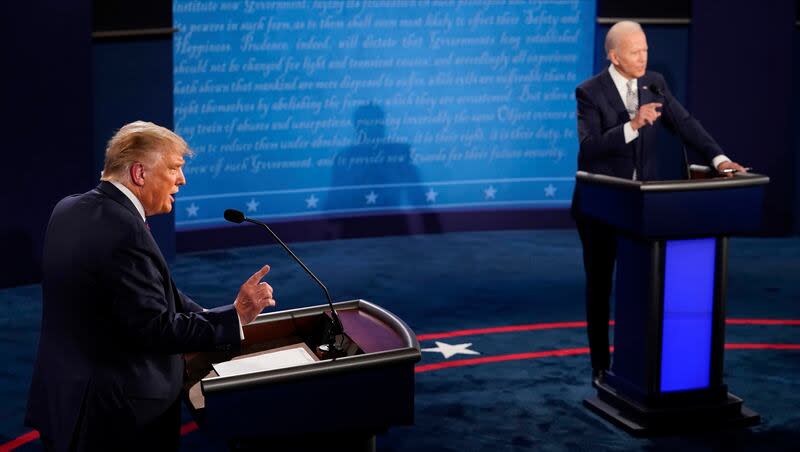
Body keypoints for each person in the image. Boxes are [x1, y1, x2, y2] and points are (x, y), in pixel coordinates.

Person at [25, 121, 277, 451]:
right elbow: (154, 328)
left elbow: (143, 293)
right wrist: (236, 318)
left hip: (65, 401)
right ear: (140, 173)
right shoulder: (125, 231)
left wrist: (214, 316)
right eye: (175, 168)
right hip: (115, 421)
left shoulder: (70, 208)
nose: (182, 180)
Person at [571, 21, 747, 383]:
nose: (643, 57)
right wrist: (633, 125)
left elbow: (685, 124)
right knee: (601, 285)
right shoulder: (589, 92)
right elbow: (588, 148)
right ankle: (600, 366)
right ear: (614, 56)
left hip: (645, 207)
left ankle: (640, 363)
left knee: (644, 284)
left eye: (646, 49)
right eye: (635, 52)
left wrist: (720, 160)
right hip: (601, 206)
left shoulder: (654, 83)